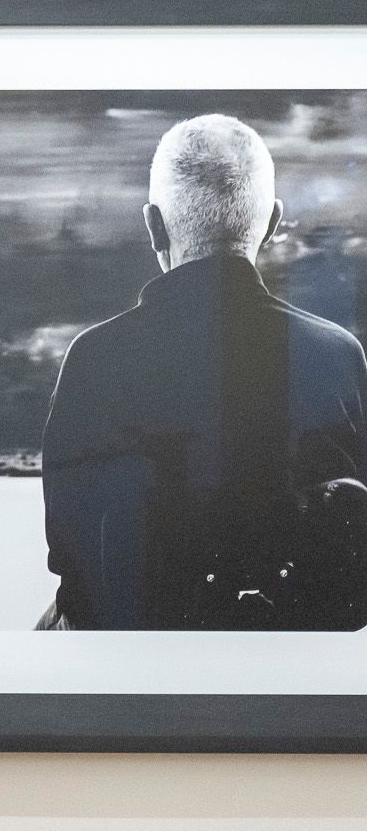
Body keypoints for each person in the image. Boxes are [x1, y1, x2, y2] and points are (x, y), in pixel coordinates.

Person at [40, 115, 367, 631]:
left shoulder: (95, 358)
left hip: (139, 670)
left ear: (153, 225)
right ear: (274, 223)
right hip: (293, 667)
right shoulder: (339, 356)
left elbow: (71, 559)